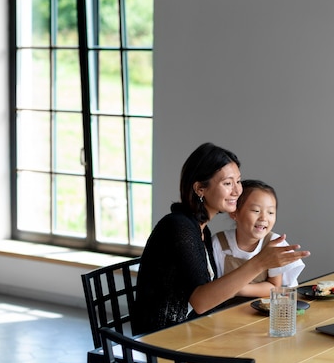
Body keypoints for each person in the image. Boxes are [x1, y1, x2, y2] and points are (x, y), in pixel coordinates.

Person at [132, 142, 310, 335]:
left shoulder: (201, 229)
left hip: (194, 328)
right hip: (163, 341)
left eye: (238, 181)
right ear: (200, 189)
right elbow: (201, 302)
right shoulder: (178, 227)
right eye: (227, 183)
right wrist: (259, 263)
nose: (237, 191)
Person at [211, 179, 305, 302]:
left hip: (266, 308)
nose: (264, 218)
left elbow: (274, 287)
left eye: (271, 212)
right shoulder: (220, 242)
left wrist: (236, 289)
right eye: (256, 211)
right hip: (227, 309)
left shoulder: (273, 243)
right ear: (234, 213)